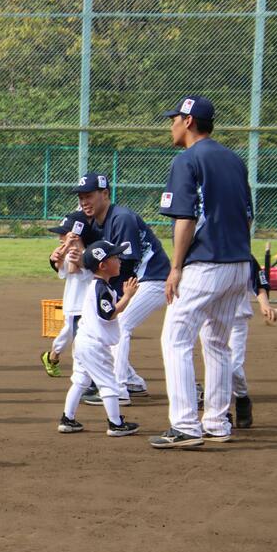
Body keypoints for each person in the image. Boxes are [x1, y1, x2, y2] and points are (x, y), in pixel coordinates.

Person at [151, 95, 253, 449]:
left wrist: (175, 267)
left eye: (175, 118)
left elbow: (185, 219)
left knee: (175, 338)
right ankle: (216, 422)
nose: (172, 125)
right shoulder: (235, 160)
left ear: (189, 122)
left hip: (206, 264)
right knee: (216, 342)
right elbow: (248, 216)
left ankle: (184, 426)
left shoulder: (187, 160)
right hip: (239, 264)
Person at [73, 172, 170, 403]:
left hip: (153, 279)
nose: (84, 201)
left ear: (105, 194)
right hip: (137, 279)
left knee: (121, 323)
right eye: (81, 197)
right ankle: (132, 381)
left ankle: (117, 389)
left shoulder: (121, 218)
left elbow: (125, 263)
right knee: (113, 322)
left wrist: (114, 297)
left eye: (89, 195)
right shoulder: (98, 222)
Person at [57, 241, 140, 437]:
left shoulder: (99, 286)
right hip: (94, 345)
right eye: (115, 258)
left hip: (84, 341)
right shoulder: (100, 288)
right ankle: (115, 424)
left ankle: (67, 419)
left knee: (80, 381)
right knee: (108, 384)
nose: (119, 261)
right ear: (103, 265)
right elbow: (108, 314)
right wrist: (127, 297)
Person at [226, 256, 276, 428]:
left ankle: (242, 398)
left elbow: (259, 284)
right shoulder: (205, 251)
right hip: (211, 319)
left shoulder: (245, 256)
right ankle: (221, 412)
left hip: (237, 320)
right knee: (216, 367)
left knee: (233, 367)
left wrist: (265, 305)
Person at [41, 211, 91, 377]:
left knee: (70, 334)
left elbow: (73, 268)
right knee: (74, 337)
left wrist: (73, 246)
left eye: (64, 234)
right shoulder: (71, 253)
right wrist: (66, 247)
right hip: (75, 304)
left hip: (85, 305)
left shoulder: (89, 253)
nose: (60, 238)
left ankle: (52, 357)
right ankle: (82, 378)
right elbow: (65, 270)